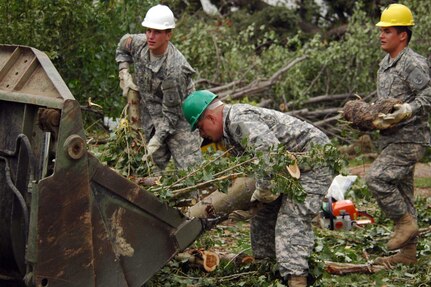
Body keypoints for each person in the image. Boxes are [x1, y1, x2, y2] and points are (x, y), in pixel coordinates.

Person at [182, 90, 335, 287]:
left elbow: (270, 155)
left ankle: (296, 279)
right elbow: (253, 170)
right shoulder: (228, 132)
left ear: (211, 117)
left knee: (291, 220)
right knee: (262, 219)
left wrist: (263, 192)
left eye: (201, 128)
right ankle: (269, 272)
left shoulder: (239, 120)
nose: (203, 135)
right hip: (285, 171)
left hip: (314, 163)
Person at [365, 3, 431, 265]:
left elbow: (428, 93)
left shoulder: (412, 62)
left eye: (388, 30)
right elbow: (385, 100)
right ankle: (408, 255)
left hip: (410, 138)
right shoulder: (385, 63)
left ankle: (404, 224)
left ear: (402, 35)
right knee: (404, 194)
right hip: (391, 139)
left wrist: (407, 109)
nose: (381, 35)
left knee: (376, 178)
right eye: (381, 30)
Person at [115, 4, 202, 171]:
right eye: (148, 30)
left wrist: (157, 139)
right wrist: (123, 71)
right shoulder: (139, 43)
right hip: (150, 113)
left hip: (179, 117)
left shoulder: (174, 68)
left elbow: (171, 114)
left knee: (190, 171)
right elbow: (122, 46)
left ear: (168, 34)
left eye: (157, 32)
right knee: (148, 168)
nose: (151, 36)